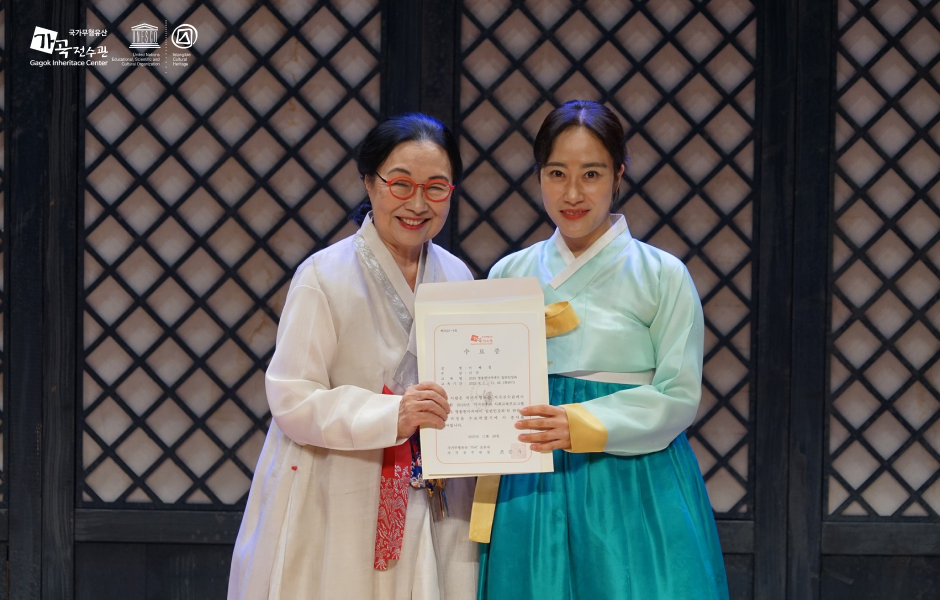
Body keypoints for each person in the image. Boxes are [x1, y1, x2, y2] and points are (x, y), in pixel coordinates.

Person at [477, 101, 729, 599]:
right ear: (539, 175)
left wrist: (581, 423)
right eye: (557, 173)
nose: (572, 194)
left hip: (633, 477)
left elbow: (678, 395)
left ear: (618, 175)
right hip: (532, 478)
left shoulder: (663, 275)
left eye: (590, 174)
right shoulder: (508, 273)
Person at [228, 114, 478, 600]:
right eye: (401, 184)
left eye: (436, 187)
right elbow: (293, 399)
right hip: (339, 483)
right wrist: (392, 415)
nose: (418, 204)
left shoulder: (457, 276)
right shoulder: (323, 275)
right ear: (369, 181)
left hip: (435, 488)